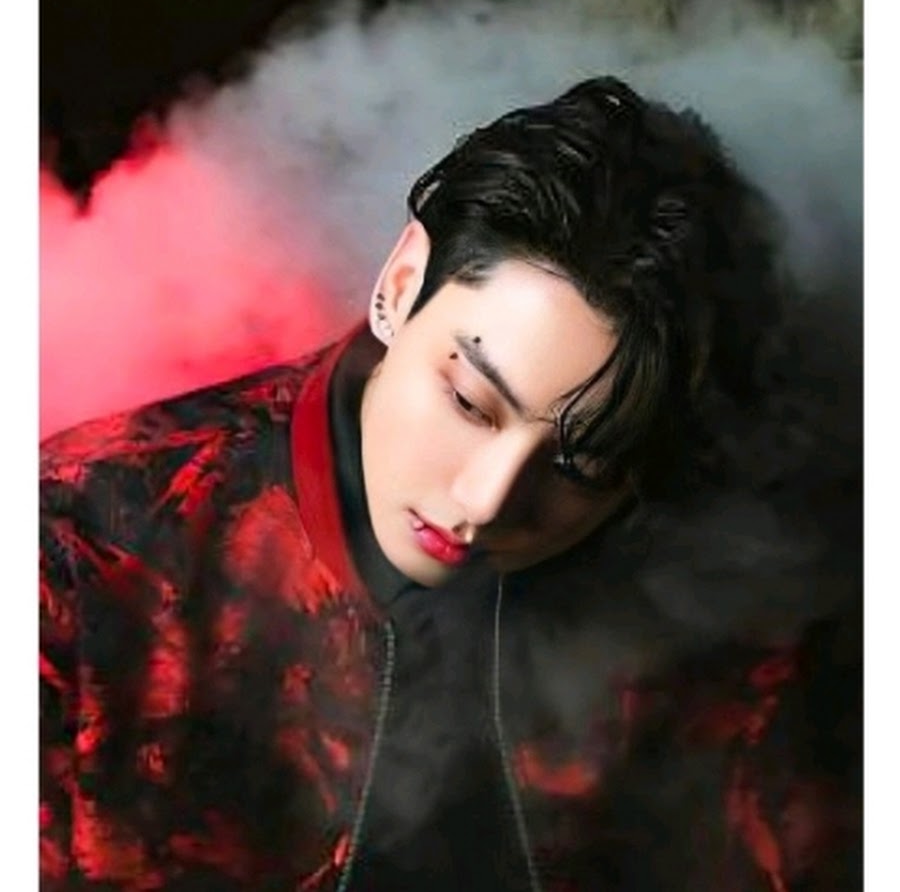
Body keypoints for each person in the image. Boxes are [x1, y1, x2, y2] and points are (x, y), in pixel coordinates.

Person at [40, 76, 858, 891]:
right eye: (469, 402)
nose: (486, 501)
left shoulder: (721, 610)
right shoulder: (73, 546)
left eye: (579, 465)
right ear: (400, 289)